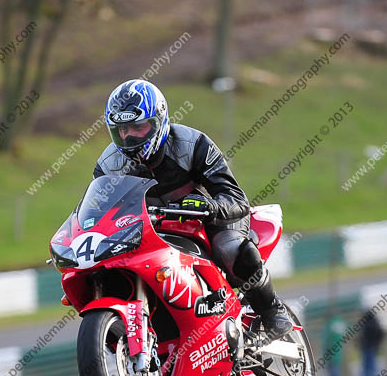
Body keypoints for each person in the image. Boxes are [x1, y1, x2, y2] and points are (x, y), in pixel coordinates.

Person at [93, 79, 293, 338]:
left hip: (209, 219)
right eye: (121, 130)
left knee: (231, 249)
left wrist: (210, 207)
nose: (128, 137)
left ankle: (272, 310)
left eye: (138, 127)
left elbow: (235, 197)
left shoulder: (192, 143)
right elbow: (98, 212)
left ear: (159, 121)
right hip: (153, 231)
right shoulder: (108, 165)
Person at [358, 308, 384, 376]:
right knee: (368, 369)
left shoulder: (370, 323)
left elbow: (379, 333)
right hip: (368, 348)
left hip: (369, 348)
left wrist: (375, 345)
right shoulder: (372, 322)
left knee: (369, 369)